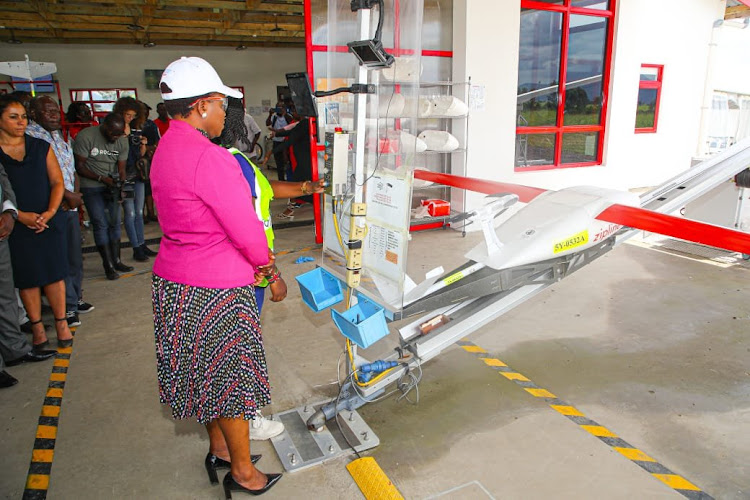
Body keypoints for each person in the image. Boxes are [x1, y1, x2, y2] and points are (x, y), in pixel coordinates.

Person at [150, 56, 282, 497]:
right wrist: (268, 267)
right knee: (231, 382)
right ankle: (243, 474)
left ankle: (220, 449)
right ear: (203, 105)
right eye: (222, 104)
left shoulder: (164, 150)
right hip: (217, 288)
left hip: (175, 282)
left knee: (205, 374)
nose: (225, 113)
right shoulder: (210, 158)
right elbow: (246, 230)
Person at [219, 96, 324, 320]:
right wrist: (273, 275)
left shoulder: (232, 157)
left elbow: (264, 188)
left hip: (244, 267)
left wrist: (306, 187)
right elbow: (243, 224)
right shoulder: (230, 162)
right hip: (245, 269)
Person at [0, 95, 74, 350]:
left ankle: (62, 322)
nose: (20, 122)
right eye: (13, 117)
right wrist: (20, 215)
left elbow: (57, 182)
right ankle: (37, 327)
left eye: (23, 117)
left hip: (47, 217)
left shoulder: (40, 146)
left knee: (55, 272)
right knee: (28, 276)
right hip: (16, 222)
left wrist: (50, 213)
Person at [27, 96, 94, 328]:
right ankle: (66, 308)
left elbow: (71, 170)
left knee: (74, 257)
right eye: (48, 111)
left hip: (69, 206)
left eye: (57, 110)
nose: (56, 114)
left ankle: (75, 298)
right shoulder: (31, 138)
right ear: (33, 114)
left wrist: (74, 196)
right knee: (58, 260)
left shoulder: (58, 137)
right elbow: (42, 178)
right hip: (52, 208)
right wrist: (66, 197)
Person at [0, 160, 56, 389]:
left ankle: (14, 349)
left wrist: (9, 211)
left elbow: (3, 181)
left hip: (2, 229)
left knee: (5, 293)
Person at [73, 113, 132, 280]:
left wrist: (121, 184)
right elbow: (80, 167)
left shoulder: (121, 140)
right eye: (112, 133)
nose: (115, 137)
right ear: (104, 127)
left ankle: (117, 260)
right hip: (91, 186)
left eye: (119, 134)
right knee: (100, 224)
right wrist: (101, 178)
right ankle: (108, 265)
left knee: (114, 223)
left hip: (111, 185)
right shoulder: (86, 136)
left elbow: (121, 168)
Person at [113, 97, 156, 262]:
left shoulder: (137, 130)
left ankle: (142, 244)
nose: (129, 118)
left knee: (139, 212)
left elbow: (141, 155)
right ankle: (136, 247)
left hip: (138, 174)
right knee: (129, 213)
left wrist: (143, 145)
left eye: (132, 115)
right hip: (124, 176)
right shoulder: (115, 130)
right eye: (127, 115)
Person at [269, 106, 316, 220]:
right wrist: (276, 135)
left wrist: (272, 151)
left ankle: (291, 208)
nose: (294, 113)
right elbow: (289, 132)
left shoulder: (305, 123)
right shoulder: (304, 123)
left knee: (297, 184)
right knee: (300, 184)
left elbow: (291, 139)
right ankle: (297, 204)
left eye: (295, 111)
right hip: (303, 159)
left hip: (305, 161)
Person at [265, 102, 291, 181]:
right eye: (277, 108)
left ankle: (289, 179)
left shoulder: (287, 117)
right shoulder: (274, 117)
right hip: (276, 142)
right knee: (279, 164)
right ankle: (281, 180)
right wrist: (270, 114)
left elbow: (291, 126)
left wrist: (284, 113)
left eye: (280, 108)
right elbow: (267, 123)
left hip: (286, 142)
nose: (279, 110)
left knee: (287, 162)